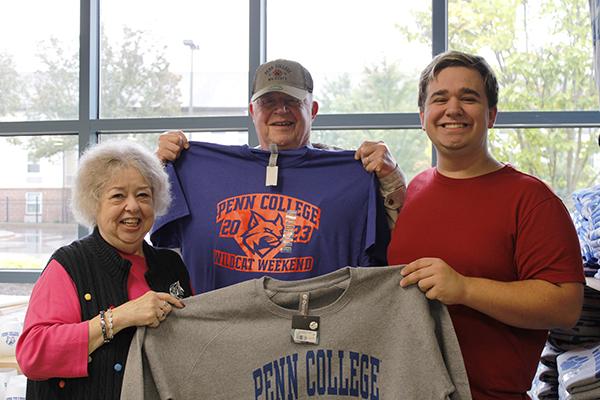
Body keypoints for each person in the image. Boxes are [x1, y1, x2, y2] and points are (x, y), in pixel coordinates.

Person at [387, 50, 585, 399]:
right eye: (440, 99)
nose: (453, 109)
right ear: (422, 116)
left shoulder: (531, 199)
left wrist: (464, 288)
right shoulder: (415, 189)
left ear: (491, 115)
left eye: (469, 98)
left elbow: (565, 305)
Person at [16, 141, 193, 399]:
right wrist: (119, 318)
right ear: (94, 204)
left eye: (143, 195)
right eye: (118, 196)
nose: (132, 206)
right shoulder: (69, 264)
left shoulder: (171, 264)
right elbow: (32, 354)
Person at [156, 59, 406, 229]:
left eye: (292, 101)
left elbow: (401, 234)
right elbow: (140, 225)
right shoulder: (206, 171)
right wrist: (157, 170)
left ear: (313, 109)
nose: (281, 110)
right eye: (268, 103)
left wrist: (391, 177)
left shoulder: (351, 172)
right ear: (252, 111)